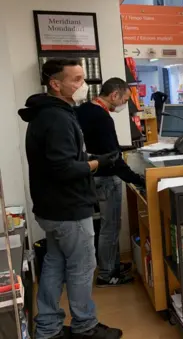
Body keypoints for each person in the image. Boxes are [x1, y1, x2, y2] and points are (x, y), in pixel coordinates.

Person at [18, 58, 123, 339]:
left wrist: (87, 158)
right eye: (76, 80)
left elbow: (61, 158)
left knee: (54, 263)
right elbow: (64, 168)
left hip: (51, 207)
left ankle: (48, 327)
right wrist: (97, 164)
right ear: (55, 83)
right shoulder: (57, 117)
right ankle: (85, 326)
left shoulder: (46, 113)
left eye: (83, 78)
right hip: (69, 208)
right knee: (81, 266)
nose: (83, 86)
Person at [76, 78, 146, 287]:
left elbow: (104, 146)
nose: (124, 104)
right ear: (114, 95)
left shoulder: (86, 109)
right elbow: (112, 158)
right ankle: (107, 273)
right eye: (124, 99)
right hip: (106, 178)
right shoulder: (102, 117)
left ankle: (112, 263)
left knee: (108, 225)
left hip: (95, 175)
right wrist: (137, 180)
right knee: (110, 226)